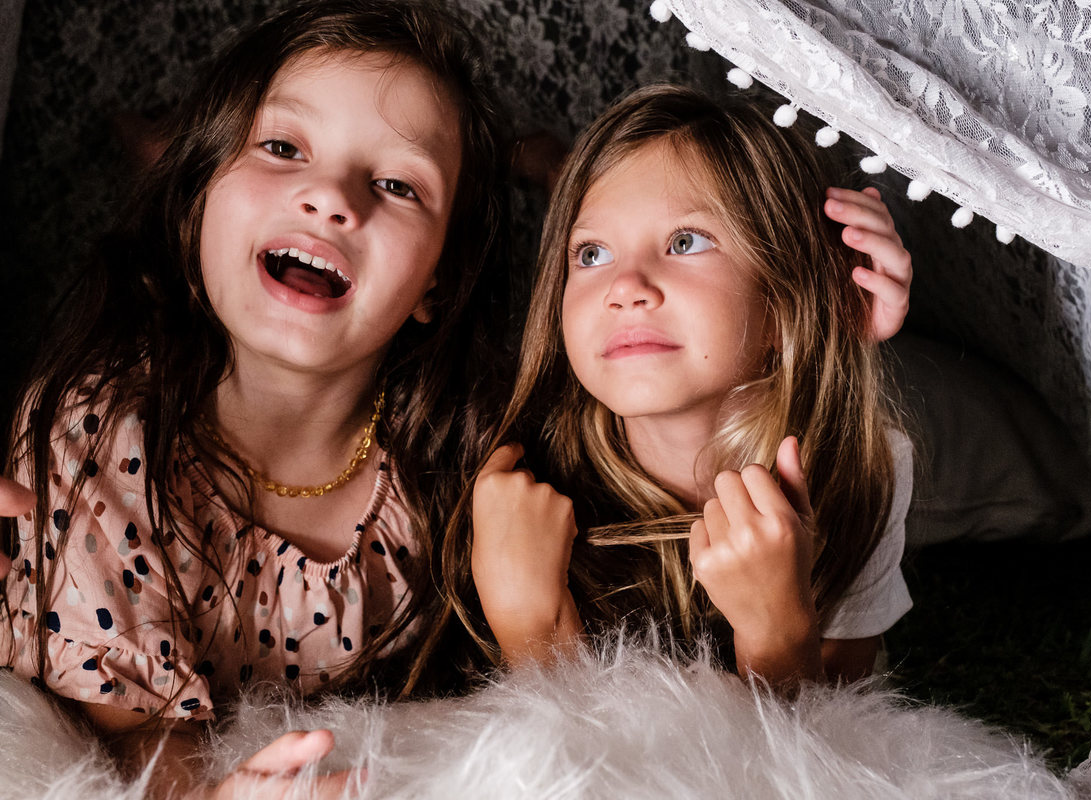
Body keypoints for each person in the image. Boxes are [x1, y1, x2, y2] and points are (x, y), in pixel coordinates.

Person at [1, 1, 510, 796]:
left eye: (396, 184)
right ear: (201, 195)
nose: (333, 198)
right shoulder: (101, 426)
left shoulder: (453, 458)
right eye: (282, 147)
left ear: (436, 283)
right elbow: (134, 739)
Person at [461, 84, 914, 691]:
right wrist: (528, 623)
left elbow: (830, 743)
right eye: (590, 252)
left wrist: (778, 633)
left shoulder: (865, 464)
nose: (625, 285)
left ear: (783, 298)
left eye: (685, 241)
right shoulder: (516, 475)